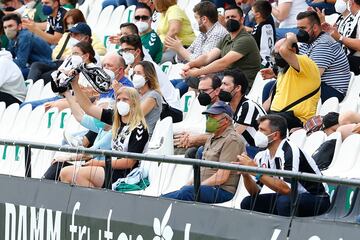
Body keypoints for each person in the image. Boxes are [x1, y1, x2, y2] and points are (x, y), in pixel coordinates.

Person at [238, 114, 330, 217]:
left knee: (284, 202)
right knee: (248, 202)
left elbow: (287, 189)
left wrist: (256, 171)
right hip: (291, 197)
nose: (258, 134)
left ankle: (289, 232)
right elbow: (255, 191)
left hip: (317, 198)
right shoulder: (261, 155)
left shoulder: (290, 151)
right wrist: (245, 174)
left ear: (275, 135)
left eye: (262, 130)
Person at [60, 86, 149, 188]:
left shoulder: (139, 128)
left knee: (75, 174)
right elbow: (88, 108)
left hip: (125, 173)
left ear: (134, 103)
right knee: (65, 173)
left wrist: (99, 163)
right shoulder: (115, 119)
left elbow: (129, 162)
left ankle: (93, 202)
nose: (121, 102)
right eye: (118, 100)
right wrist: (74, 83)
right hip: (110, 168)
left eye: (125, 99)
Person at [162, 101, 244, 203]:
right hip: (205, 187)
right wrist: (188, 185)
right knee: (164, 197)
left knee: (185, 193)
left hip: (221, 190)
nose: (209, 120)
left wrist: (196, 187)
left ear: (226, 120)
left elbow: (222, 177)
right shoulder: (212, 137)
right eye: (208, 117)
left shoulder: (232, 140)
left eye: (213, 117)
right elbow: (201, 172)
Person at [182, 5, 261, 88]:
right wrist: (190, 65)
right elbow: (207, 57)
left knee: (195, 79)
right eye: (227, 17)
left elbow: (224, 63)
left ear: (242, 19)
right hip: (228, 80)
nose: (230, 19)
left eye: (233, 17)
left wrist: (197, 72)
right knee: (193, 79)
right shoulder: (227, 38)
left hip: (242, 86)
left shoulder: (245, 39)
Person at [166, 1, 228, 94]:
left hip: (211, 80)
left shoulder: (217, 34)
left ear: (204, 19)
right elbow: (184, 58)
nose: (195, 21)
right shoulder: (203, 33)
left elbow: (203, 61)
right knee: (170, 86)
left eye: (196, 18)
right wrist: (178, 50)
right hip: (196, 77)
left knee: (178, 89)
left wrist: (180, 49)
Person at [267, 33, 321, 130]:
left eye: (278, 54)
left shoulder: (305, 62)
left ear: (292, 50)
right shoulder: (283, 70)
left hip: (296, 119)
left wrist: (291, 38)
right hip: (277, 116)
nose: (276, 57)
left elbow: (283, 50)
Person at [297, 11, 351, 103]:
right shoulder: (308, 42)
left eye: (303, 28)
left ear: (315, 27)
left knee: (290, 90)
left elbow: (313, 76)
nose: (300, 32)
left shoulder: (324, 44)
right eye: (298, 28)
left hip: (332, 90)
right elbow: (297, 66)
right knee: (275, 86)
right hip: (319, 85)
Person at [119, 34, 181, 110]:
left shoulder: (148, 67)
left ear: (138, 51)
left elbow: (145, 95)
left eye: (127, 50)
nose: (125, 54)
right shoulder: (132, 69)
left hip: (169, 108)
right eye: (123, 51)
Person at [28, 22, 101, 83]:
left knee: (43, 77)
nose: (72, 37)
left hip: (71, 85)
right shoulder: (74, 51)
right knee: (36, 65)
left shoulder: (91, 55)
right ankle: (28, 90)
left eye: (75, 34)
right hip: (61, 66)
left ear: (86, 38)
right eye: (71, 34)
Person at [219, 69, 266, 158]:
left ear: (237, 88)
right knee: (198, 151)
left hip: (260, 151)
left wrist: (199, 139)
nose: (221, 87)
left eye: (225, 84)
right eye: (222, 83)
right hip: (243, 148)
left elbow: (234, 135)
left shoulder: (248, 105)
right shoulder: (226, 106)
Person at [174, 74, 221, 158]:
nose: (201, 94)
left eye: (205, 90)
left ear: (217, 91)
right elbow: (209, 133)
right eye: (199, 91)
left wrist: (193, 139)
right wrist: (189, 138)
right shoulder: (210, 107)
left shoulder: (220, 109)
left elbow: (217, 137)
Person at [3, 13, 52, 78]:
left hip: (46, 65)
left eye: (10, 26)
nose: (7, 30)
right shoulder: (12, 37)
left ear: (19, 26)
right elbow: (9, 55)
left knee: (9, 75)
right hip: (32, 66)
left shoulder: (25, 37)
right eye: (5, 27)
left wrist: (3, 58)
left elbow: (21, 64)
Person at [322, 0, 360, 74]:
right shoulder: (355, 16)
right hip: (351, 58)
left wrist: (340, 37)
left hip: (356, 60)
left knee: (327, 59)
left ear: (351, 2)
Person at [132, 61, 162, 136]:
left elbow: (136, 115)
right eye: (134, 73)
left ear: (147, 76)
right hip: (132, 132)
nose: (135, 76)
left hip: (145, 136)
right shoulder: (136, 93)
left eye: (139, 73)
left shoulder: (154, 95)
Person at [251, 0, 275, 68]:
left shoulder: (262, 27)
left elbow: (265, 48)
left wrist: (264, 63)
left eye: (252, 11)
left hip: (263, 63)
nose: (250, 13)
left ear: (258, 14)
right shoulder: (266, 26)